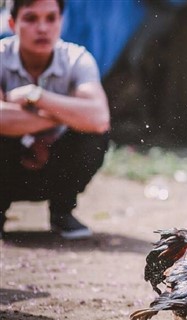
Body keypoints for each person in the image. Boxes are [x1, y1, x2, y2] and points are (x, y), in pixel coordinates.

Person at [0, 0, 110, 240]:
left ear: (61, 22)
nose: (42, 28)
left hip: (55, 166)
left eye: (51, 18)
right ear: (12, 23)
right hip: (9, 167)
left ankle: (62, 211)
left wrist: (35, 96)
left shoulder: (77, 59)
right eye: (31, 18)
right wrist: (66, 117)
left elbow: (99, 119)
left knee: (95, 136)